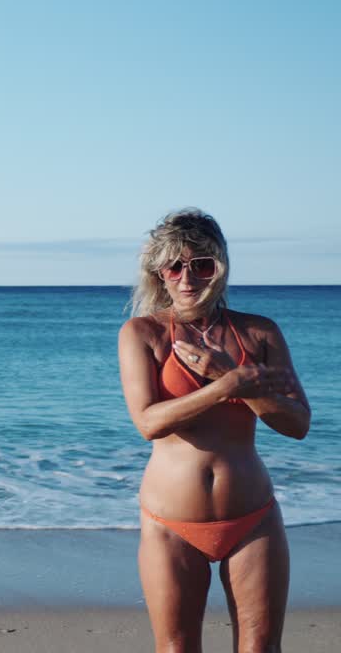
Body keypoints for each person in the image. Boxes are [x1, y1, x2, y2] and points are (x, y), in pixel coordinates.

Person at [118, 209, 311, 652]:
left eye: (201, 264)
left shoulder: (259, 333)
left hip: (253, 518)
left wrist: (239, 382)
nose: (188, 278)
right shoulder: (142, 333)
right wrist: (227, 385)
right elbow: (148, 422)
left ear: (219, 267)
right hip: (170, 524)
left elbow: (297, 424)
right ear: (160, 273)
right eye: (175, 266)